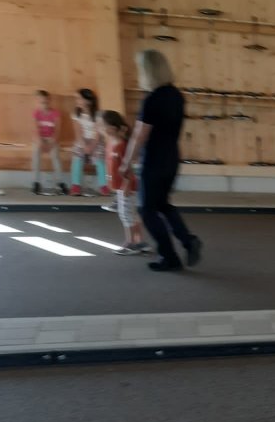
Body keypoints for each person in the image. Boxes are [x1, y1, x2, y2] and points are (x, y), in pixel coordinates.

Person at [120, 49, 201, 272]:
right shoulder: (177, 96)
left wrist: (126, 162)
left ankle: (170, 256)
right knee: (163, 204)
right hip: (172, 157)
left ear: (147, 71)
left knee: (147, 210)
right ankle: (188, 240)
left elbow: (139, 135)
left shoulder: (152, 99)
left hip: (154, 160)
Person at [100, 110, 151, 255]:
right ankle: (140, 242)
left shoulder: (122, 145)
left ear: (112, 128)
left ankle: (131, 243)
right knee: (131, 214)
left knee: (126, 215)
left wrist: (127, 185)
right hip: (120, 187)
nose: (99, 128)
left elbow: (128, 168)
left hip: (127, 186)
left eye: (102, 125)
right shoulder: (110, 144)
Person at [69, 88, 108, 196]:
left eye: (79, 98)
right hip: (82, 140)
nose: (77, 101)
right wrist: (84, 146)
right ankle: (76, 185)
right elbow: (78, 132)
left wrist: (91, 147)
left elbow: (98, 134)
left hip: (96, 141)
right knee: (77, 157)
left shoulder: (99, 115)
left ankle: (104, 185)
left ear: (88, 101)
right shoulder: (76, 114)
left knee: (100, 159)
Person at [32, 90, 68, 195]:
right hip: (40, 139)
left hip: (52, 139)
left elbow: (57, 131)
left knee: (55, 156)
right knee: (36, 154)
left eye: (46, 102)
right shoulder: (36, 113)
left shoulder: (55, 113)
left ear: (49, 101)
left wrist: (50, 144)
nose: (44, 105)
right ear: (38, 102)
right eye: (42, 102)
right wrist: (41, 143)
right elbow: (36, 131)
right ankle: (36, 182)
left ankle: (60, 182)